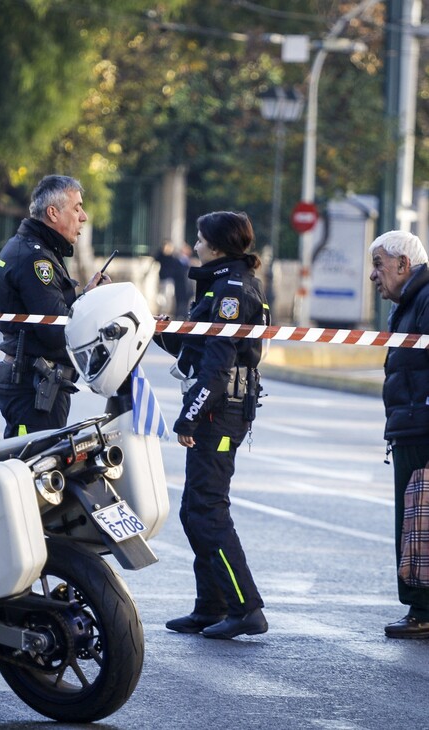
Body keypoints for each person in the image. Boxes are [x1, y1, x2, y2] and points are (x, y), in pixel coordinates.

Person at [156, 211, 270, 639]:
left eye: (201, 240)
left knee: (206, 509)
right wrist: (148, 326)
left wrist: (188, 416)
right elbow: (194, 347)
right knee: (194, 510)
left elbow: (218, 369)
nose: (195, 246)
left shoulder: (231, 291)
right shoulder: (221, 284)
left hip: (219, 412)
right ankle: (212, 606)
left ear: (219, 248)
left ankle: (246, 608)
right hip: (217, 408)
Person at [0, 174, 110, 438]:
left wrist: (87, 296)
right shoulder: (36, 258)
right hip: (33, 387)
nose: (84, 216)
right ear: (53, 213)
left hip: (38, 383)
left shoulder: (36, 248)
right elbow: (56, 329)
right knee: (31, 469)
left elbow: (52, 316)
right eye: (77, 207)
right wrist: (90, 309)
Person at [369, 229, 429, 639]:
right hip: (410, 425)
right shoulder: (410, 302)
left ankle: (421, 610)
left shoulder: (424, 300)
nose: (374, 276)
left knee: (416, 520)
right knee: (414, 517)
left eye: (379, 265)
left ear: (404, 265)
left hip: (421, 426)